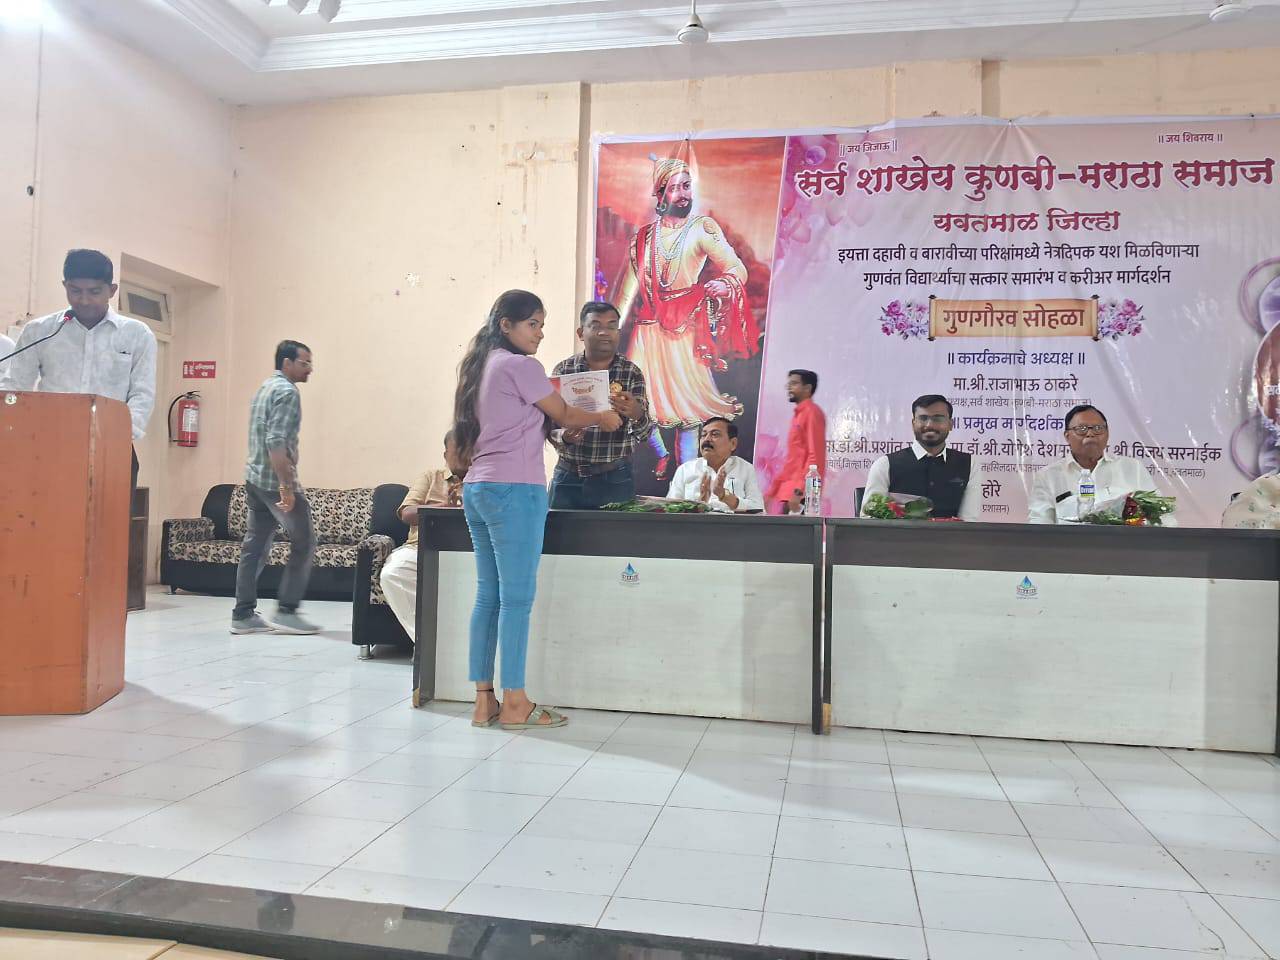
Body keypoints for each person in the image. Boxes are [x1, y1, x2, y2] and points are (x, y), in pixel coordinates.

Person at [453, 290, 623, 730]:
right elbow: (566, 413)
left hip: (478, 488)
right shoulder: (520, 366)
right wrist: (602, 417)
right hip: (516, 490)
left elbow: (536, 421)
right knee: (516, 601)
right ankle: (516, 702)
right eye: (533, 324)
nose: (540, 333)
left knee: (488, 597)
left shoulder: (480, 366)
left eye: (542, 325)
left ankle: (484, 701)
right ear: (505, 325)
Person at [615, 157, 758, 476]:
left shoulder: (702, 228)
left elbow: (737, 268)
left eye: (687, 186)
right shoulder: (643, 238)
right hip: (648, 331)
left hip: (684, 330)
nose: (682, 194)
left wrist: (725, 283)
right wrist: (612, 325)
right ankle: (662, 455)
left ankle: (688, 481)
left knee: (689, 416)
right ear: (660, 193)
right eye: (674, 188)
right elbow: (627, 293)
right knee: (642, 407)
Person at [0, 249, 156, 493]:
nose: (84, 300)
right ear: (65, 286)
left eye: (94, 292)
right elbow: (14, 386)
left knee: (109, 518)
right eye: (75, 291)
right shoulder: (40, 331)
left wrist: (119, 436)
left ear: (111, 290)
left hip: (112, 448)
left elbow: (142, 395)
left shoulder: (136, 334)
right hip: (48, 446)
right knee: (46, 514)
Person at [231, 340, 320, 635]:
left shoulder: (264, 388)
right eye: (304, 363)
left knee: (254, 546)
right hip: (273, 482)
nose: (310, 369)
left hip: (254, 478)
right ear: (287, 363)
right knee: (305, 541)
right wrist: (286, 487)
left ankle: (242, 615)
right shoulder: (287, 392)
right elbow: (275, 441)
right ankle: (287, 611)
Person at [548, 301, 654, 509]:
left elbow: (644, 434)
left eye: (611, 326)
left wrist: (637, 414)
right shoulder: (564, 371)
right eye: (596, 325)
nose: (604, 332)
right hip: (568, 476)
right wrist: (565, 437)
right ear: (581, 333)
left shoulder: (631, 372)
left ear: (618, 333)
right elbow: (550, 427)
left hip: (615, 478)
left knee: (614, 532)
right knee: (558, 531)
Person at [379, 431, 468, 641]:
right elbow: (407, 513)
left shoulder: (486, 481)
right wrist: (442, 508)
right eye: (457, 451)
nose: (463, 456)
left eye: (468, 450)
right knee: (393, 574)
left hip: (468, 550)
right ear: (445, 455)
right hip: (421, 547)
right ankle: (428, 643)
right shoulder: (430, 477)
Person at [1028, 404, 1175, 524]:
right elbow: (1039, 525)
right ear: (1067, 436)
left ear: (1107, 434)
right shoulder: (1048, 476)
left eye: (1098, 429)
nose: (1090, 434)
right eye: (1082, 429)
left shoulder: (1132, 468)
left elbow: (1162, 517)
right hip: (1070, 549)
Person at [861, 394, 985, 521]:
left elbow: (969, 522)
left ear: (950, 424)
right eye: (923, 418)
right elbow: (869, 518)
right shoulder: (885, 464)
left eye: (938, 419)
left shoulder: (969, 464)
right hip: (898, 534)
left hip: (951, 535)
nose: (930, 425)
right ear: (913, 423)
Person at [666, 417, 764, 513]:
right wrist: (699, 505)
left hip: (732, 524)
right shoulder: (685, 469)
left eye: (715, 434)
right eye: (703, 435)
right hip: (695, 523)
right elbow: (669, 509)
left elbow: (758, 509)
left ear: (733, 443)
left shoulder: (745, 468)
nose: (707, 439)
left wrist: (724, 495)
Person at [766, 369, 827, 514]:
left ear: (807, 388)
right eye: (788, 384)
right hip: (789, 493)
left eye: (794, 383)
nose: (788, 387)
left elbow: (816, 457)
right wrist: (771, 492)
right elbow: (791, 462)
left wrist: (800, 491)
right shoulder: (798, 415)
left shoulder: (812, 413)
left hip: (801, 496)